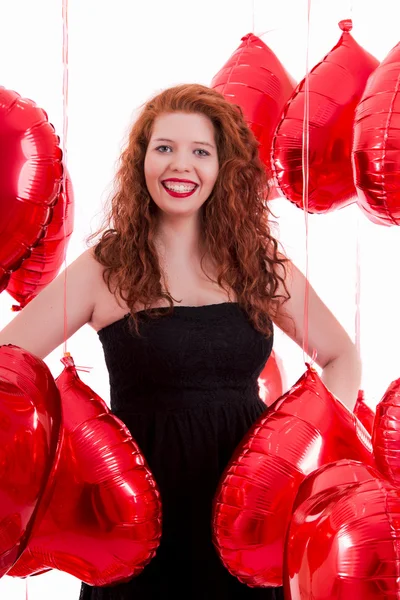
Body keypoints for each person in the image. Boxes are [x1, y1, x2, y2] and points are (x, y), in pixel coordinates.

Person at [0, 83, 361, 599]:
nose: (180, 166)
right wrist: (66, 461)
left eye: (200, 151)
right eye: (164, 148)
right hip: (137, 519)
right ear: (142, 160)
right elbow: (9, 365)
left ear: (222, 167)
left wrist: (300, 455)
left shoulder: (257, 264)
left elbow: (342, 356)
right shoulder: (106, 268)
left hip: (244, 516)